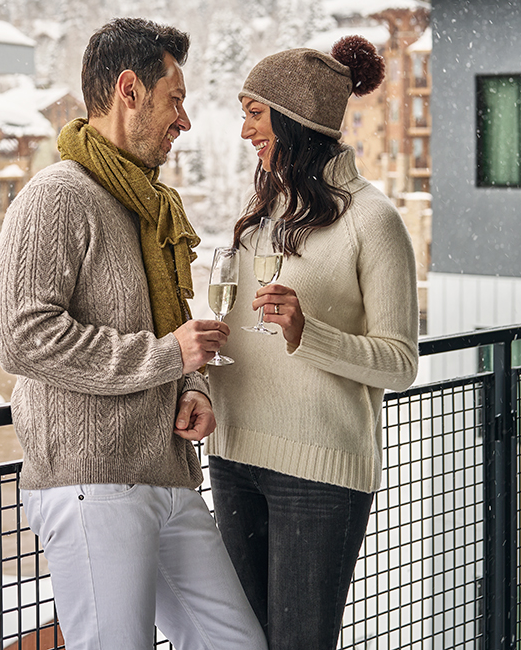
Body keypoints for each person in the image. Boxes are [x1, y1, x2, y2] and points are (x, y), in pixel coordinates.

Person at [0, 17, 267, 650]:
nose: (185, 121)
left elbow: (167, 330)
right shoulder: (56, 196)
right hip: (93, 480)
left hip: (165, 472)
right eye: (176, 100)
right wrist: (167, 358)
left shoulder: (148, 204)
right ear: (128, 90)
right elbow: (21, 337)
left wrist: (191, 383)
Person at [206, 36, 420, 650]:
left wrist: (309, 334)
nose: (245, 130)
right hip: (233, 454)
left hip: (317, 473)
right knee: (242, 642)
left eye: (254, 112)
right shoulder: (263, 208)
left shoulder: (373, 220)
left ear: (295, 120)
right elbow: (234, 326)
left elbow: (400, 362)